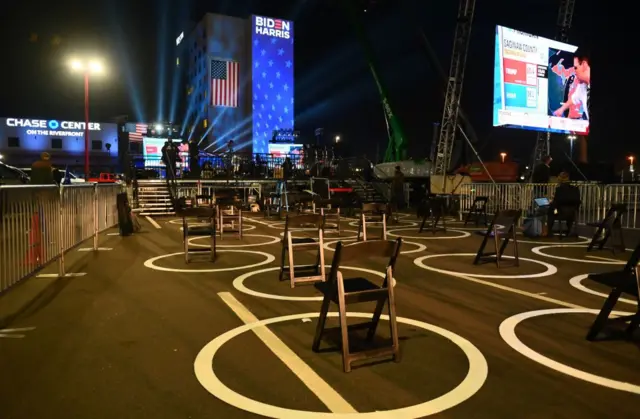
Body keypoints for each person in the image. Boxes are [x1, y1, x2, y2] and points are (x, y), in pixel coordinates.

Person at [546, 172, 581, 236]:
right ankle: (569, 230)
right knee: (569, 211)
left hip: (560, 212)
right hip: (573, 212)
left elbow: (556, 202)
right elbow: (578, 201)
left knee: (551, 212)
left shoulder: (559, 189)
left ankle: (549, 231)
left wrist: (552, 204)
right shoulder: (575, 189)